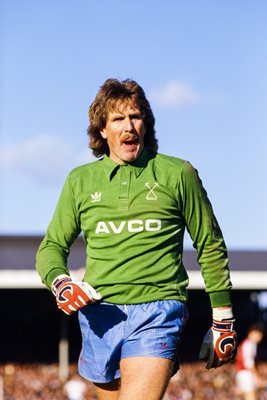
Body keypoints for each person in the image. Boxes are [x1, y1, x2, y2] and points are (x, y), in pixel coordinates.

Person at [36, 78, 237, 400]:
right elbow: (51, 247)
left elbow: (210, 244)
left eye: (136, 116)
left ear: (146, 123)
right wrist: (60, 282)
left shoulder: (178, 173)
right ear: (102, 130)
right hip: (100, 313)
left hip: (158, 308)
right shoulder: (80, 180)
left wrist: (223, 319)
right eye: (117, 119)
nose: (128, 126)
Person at [235, 323, 265, 400]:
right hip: (246, 373)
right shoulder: (249, 343)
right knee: (251, 397)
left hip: (243, 372)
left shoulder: (247, 343)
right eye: (258, 335)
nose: (259, 338)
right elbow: (248, 363)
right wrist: (257, 376)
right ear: (251, 333)